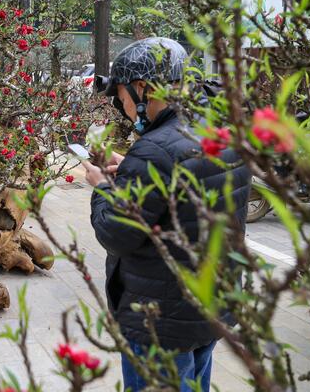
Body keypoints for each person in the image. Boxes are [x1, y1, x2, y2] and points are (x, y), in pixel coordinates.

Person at [82, 37, 250, 392]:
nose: (124, 108)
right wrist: (134, 169)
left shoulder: (154, 151)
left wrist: (102, 187)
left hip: (160, 319)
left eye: (123, 98)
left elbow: (115, 232)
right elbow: (188, 186)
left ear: (143, 88)